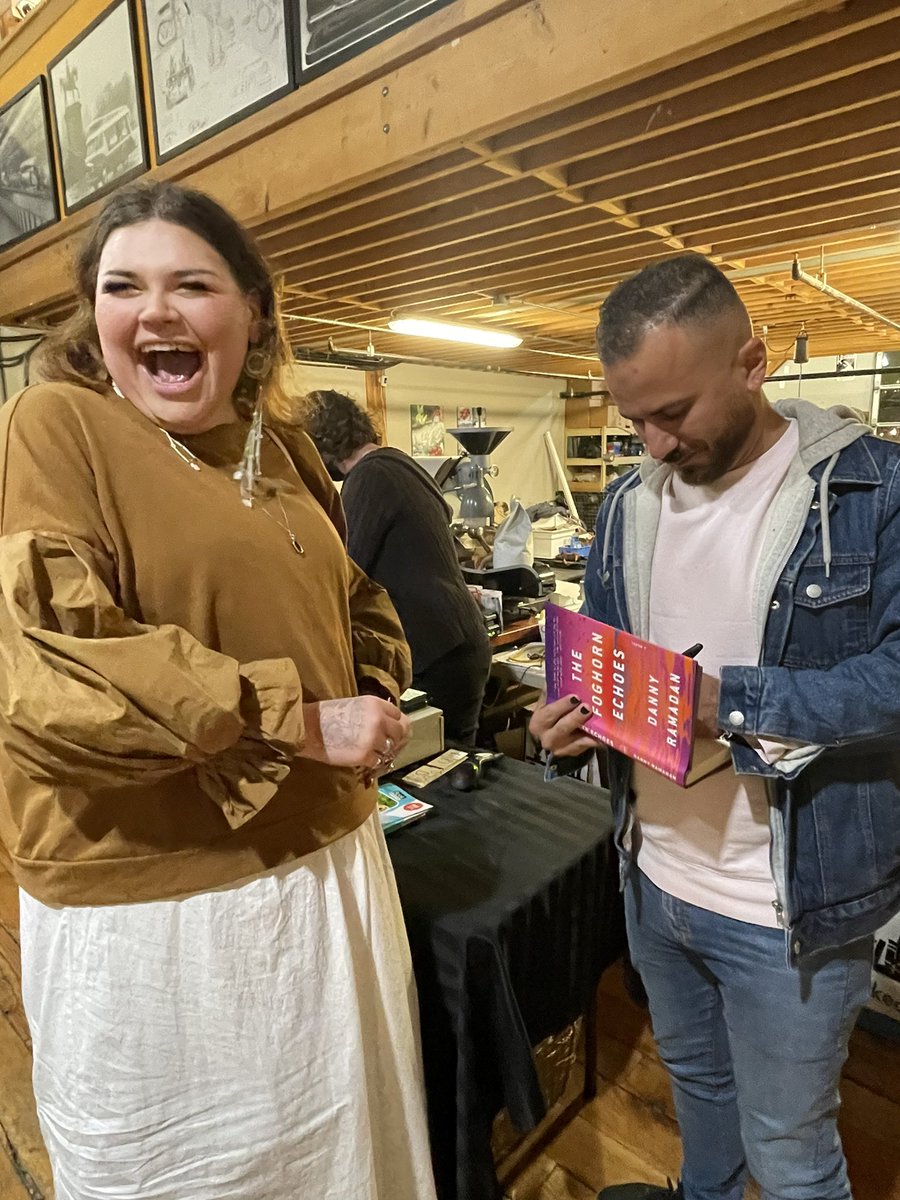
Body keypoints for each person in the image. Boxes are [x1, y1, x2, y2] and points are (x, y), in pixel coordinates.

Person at [0, 180, 438, 1200]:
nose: (153, 311)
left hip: (330, 871)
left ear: (252, 314)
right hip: (167, 911)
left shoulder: (278, 445)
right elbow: (49, 669)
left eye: (190, 284)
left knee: (343, 1158)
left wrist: (370, 684)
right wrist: (291, 717)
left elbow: (353, 598)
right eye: (122, 287)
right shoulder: (54, 425)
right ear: (94, 313)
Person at [530, 253, 900, 1200]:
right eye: (632, 420)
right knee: (698, 1097)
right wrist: (577, 720)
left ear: (752, 361)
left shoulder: (872, 490)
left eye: (674, 414)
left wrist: (732, 702)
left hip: (789, 908)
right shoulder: (625, 506)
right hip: (653, 876)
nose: (652, 443)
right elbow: (613, 660)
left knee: (790, 1150)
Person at [305, 389, 492, 745]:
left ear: (322, 442)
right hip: (461, 641)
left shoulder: (368, 478)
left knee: (433, 767)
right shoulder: (400, 463)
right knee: (454, 757)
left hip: (437, 650)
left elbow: (343, 573)